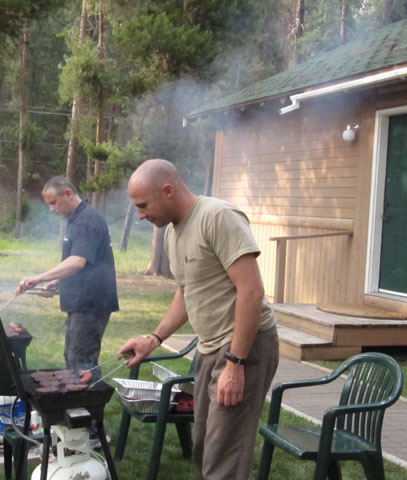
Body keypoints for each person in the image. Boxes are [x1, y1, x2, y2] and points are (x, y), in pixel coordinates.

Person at [118, 159, 279, 480]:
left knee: (225, 454)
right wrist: (154, 338)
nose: (140, 215)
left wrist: (236, 364)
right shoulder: (173, 234)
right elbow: (186, 294)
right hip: (208, 349)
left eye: (143, 205)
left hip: (242, 347)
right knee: (205, 445)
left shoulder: (217, 217)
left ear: (168, 190)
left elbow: (251, 290)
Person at [16, 176, 119, 381]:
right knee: (73, 359)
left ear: (68, 194)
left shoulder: (86, 221)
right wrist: (59, 283)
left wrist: (38, 278)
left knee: (82, 363)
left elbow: (77, 261)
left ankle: (89, 409)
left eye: (53, 203)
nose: (51, 209)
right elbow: (87, 265)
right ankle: (77, 408)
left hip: (91, 305)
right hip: (82, 303)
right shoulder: (78, 219)